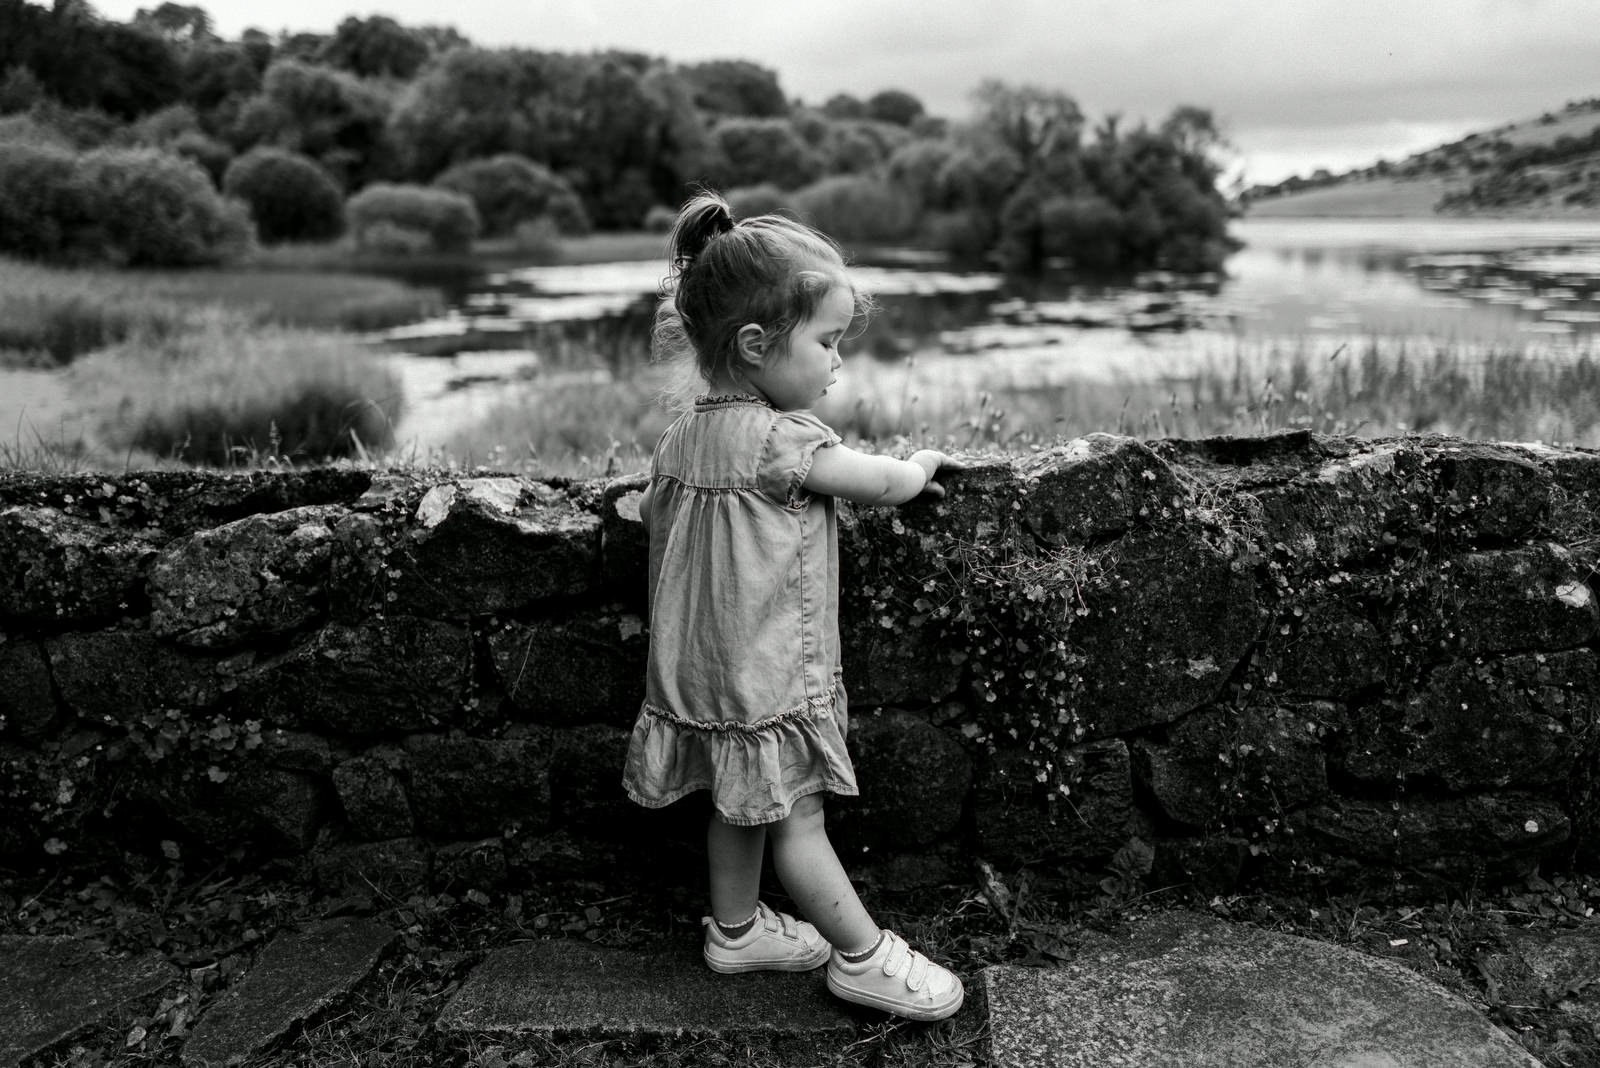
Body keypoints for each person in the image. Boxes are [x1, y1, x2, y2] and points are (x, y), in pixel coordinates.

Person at [621, 191, 965, 1021]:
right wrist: (918, 465)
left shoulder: (680, 438)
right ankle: (863, 954)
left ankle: (736, 932)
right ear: (753, 345)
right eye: (827, 341)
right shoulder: (784, 439)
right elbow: (878, 484)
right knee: (797, 820)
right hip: (769, 675)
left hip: (699, 679)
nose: (837, 363)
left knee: (735, 802)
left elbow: (656, 521)